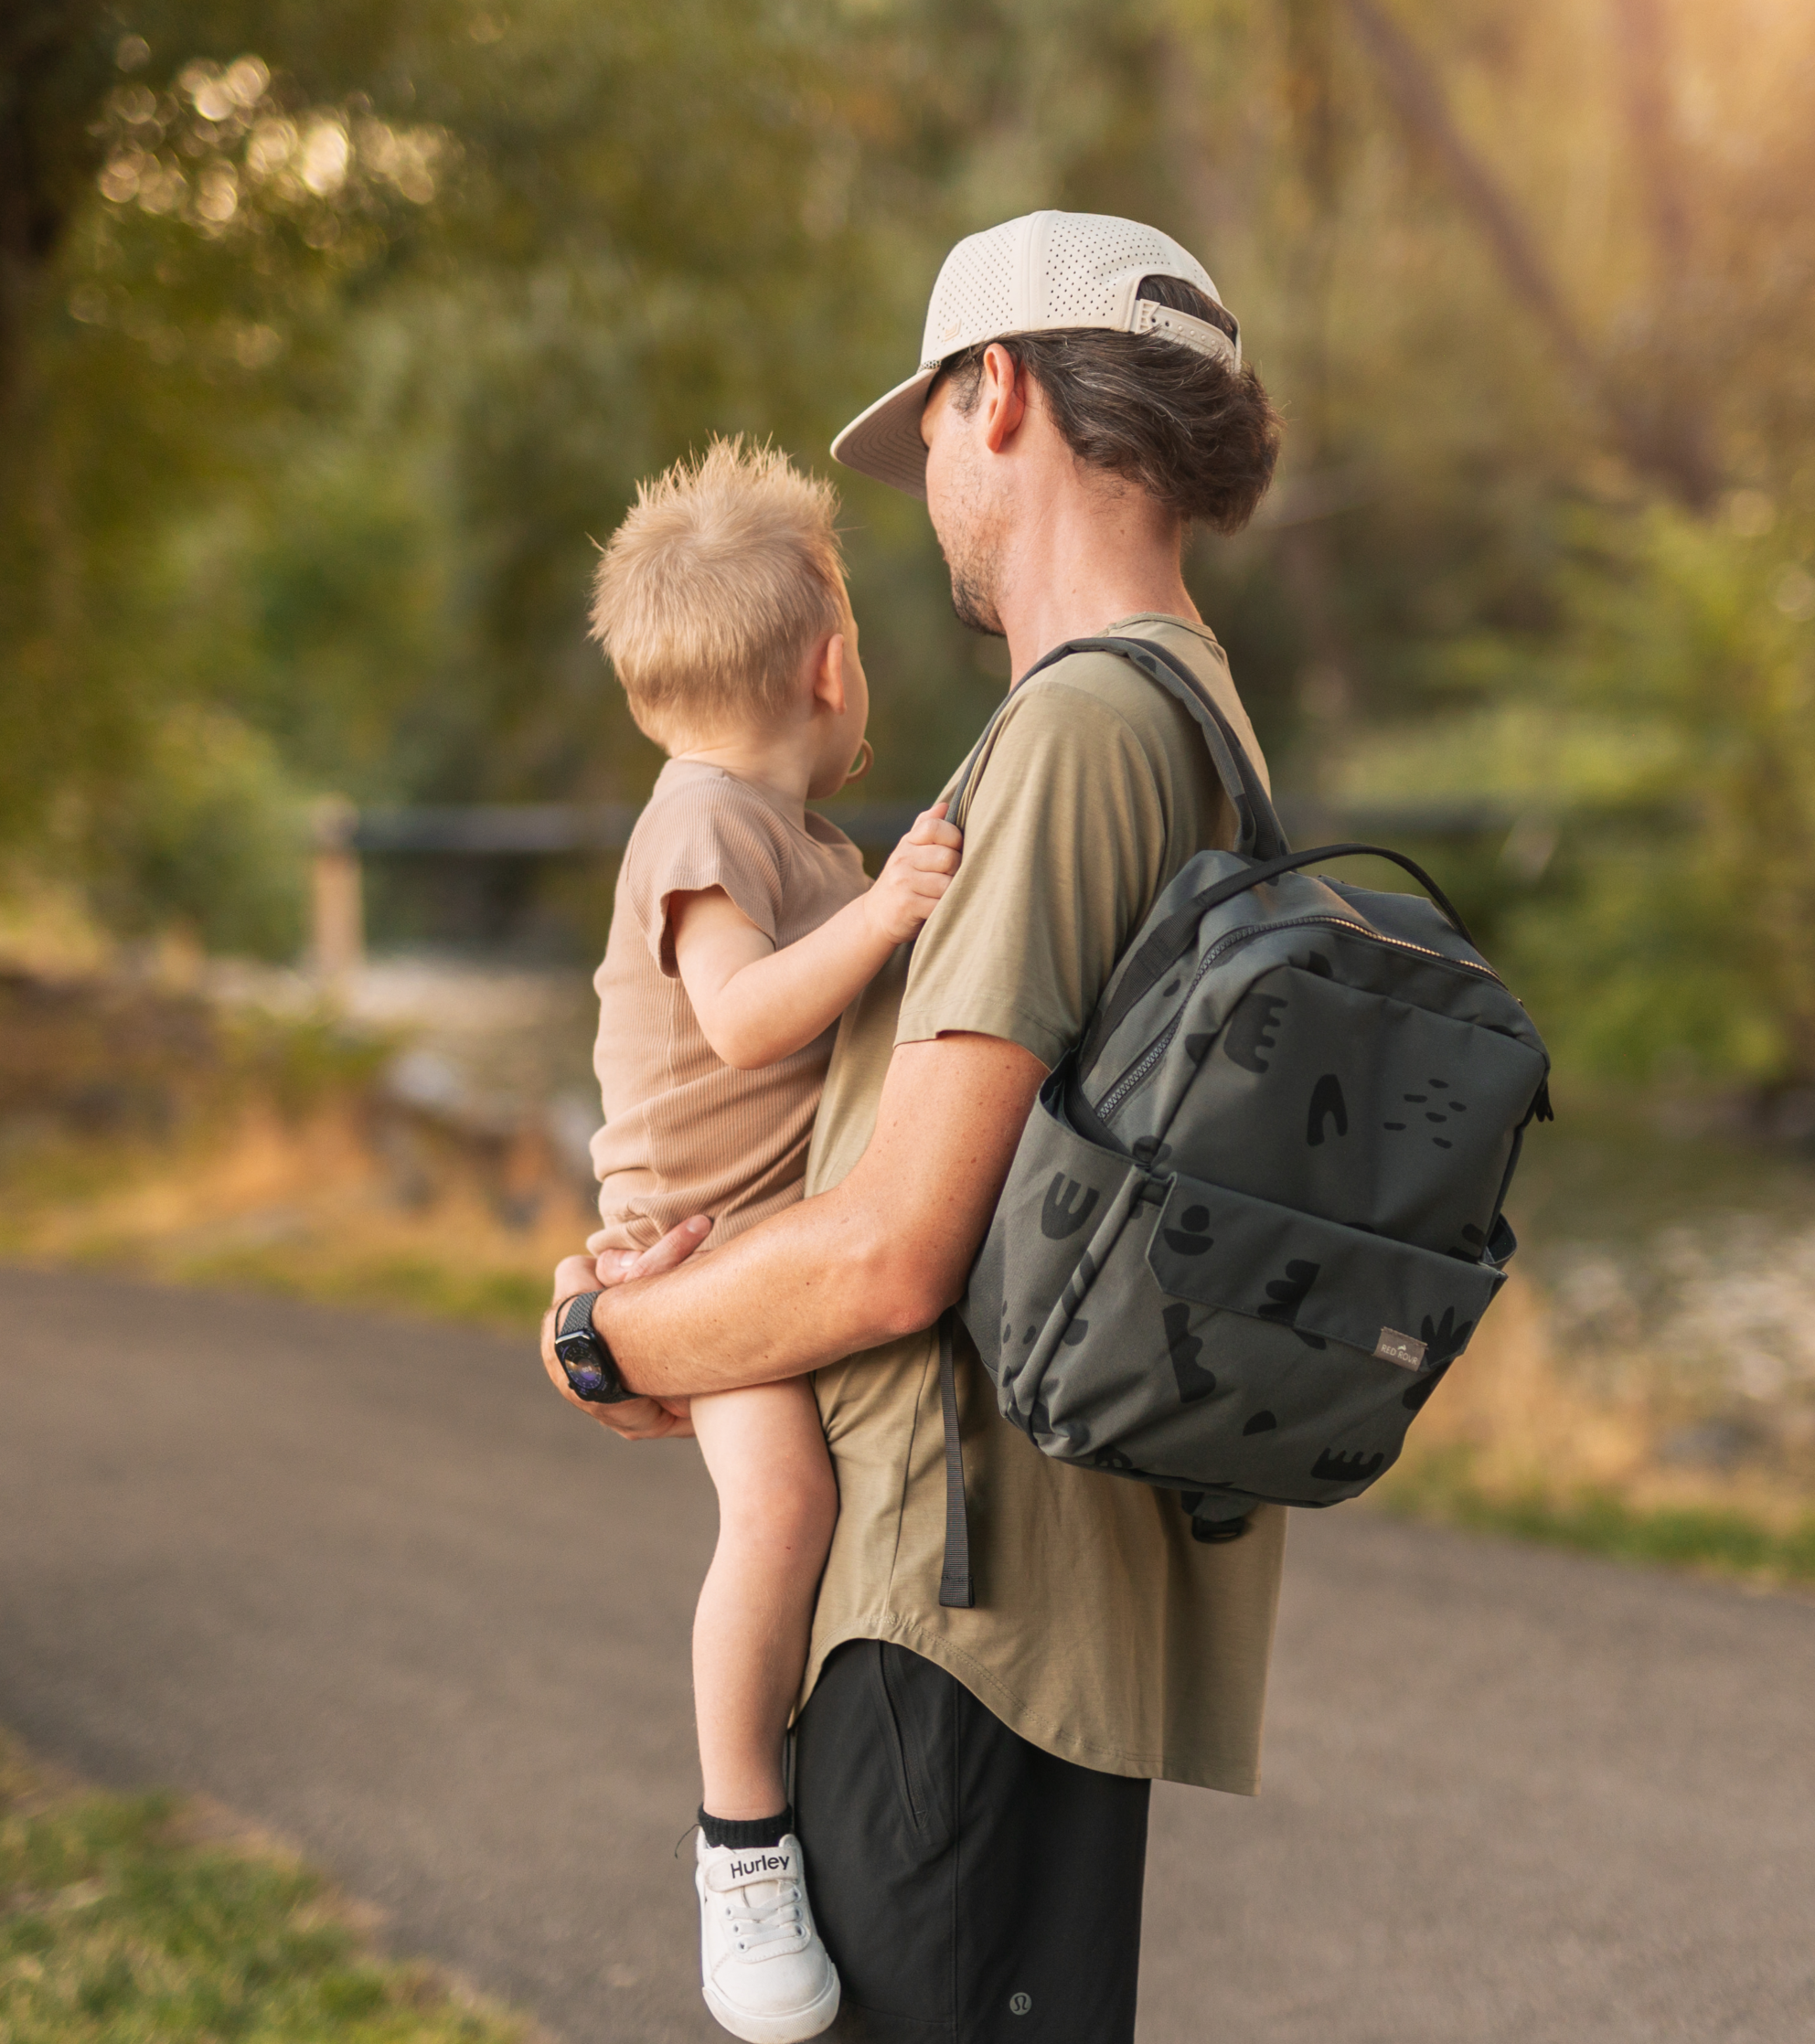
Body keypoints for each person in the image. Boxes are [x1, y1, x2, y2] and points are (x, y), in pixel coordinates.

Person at [544, 211, 1286, 2043]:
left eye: (933, 434)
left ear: (1000, 393)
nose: (930, 490)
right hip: (1027, 1588)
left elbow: (890, 1247)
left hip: (952, 1605)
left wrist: (606, 1330)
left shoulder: (1077, 735)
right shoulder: (1175, 712)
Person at [577, 437, 962, 2043]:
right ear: (830, 663)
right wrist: (887, 921)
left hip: (759, 1222)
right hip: (700, 1240)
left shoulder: (788, 838)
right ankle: (740, 1839)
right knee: (784, 1499)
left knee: (814, 1492)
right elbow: (739, 1025)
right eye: (863, 639)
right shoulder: (701, 829)